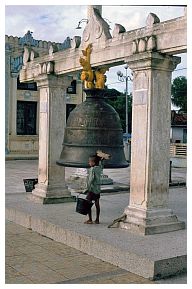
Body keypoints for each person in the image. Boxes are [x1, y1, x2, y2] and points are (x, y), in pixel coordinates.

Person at [84, 150, 110, 224]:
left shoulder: (92, 169)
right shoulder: (99, 168)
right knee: (97, 204)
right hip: (97, 189)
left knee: (88, 204)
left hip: (92, 189)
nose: (89, 163)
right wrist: (102, 159)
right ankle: (97, 219)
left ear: (93, 163)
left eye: (90, 162)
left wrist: (87, 188)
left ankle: (90, 219)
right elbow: (102, 166)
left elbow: (91, 179)